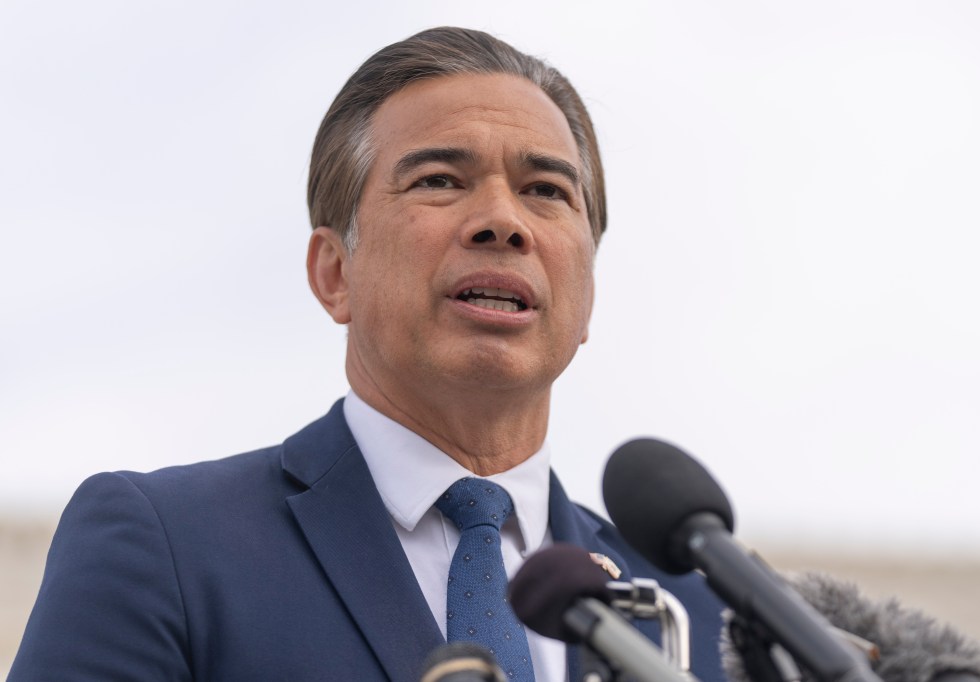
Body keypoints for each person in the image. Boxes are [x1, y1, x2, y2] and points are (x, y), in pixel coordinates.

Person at [10, 27, 726, 682]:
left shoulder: (701, 614)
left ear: (588, 295)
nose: (504, 222)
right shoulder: (164, 548)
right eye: (440, 180)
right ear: (334, 272)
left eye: (545, 190)